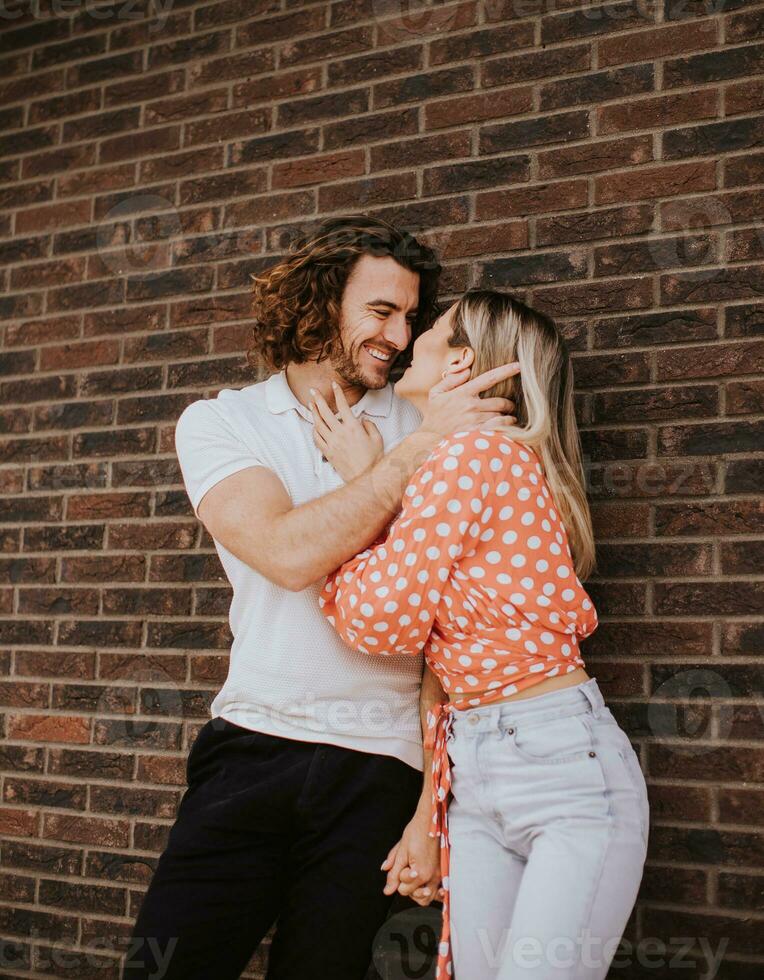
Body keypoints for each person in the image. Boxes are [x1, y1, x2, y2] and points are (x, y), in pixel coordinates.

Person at [121, 216, 521, 980]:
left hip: (381, 768)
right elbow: (287, 553)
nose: (400, 336)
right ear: (318, 301)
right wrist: (408, 458)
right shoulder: (224, 421)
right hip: (252, 748)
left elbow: (458, 619)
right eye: (380, 311)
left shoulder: (425, 415)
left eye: (411, 317)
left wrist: (431, 808)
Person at [318, 289, 650, 980]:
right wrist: (428, 816)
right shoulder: (462, 463)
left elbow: (378, 619)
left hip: (561, 774)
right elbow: (437, 656)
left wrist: (364, 479)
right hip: (481, 764)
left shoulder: (474, 455)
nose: (410, 341)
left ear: (461, 362)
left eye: (431, 330)